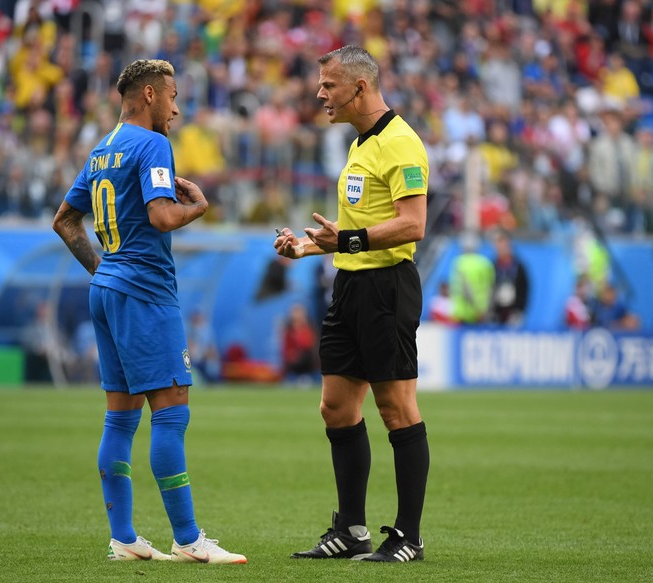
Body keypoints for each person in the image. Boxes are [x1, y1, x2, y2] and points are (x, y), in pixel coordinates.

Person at [51, 59, 245, 565]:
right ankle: (188, 541)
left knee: (119, 418)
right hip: (144, 291)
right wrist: (198, 209)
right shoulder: (152, 144)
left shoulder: (101, 150)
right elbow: (161, 216)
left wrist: (103, 271)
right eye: (174, 96)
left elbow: (65, 222)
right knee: (171, 408)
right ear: (151, 95)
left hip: (110, 289)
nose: (177, 109)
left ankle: (125, 539)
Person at [274, 45, 430, 563]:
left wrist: (348, 242)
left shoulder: (402, 143)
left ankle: (408, 536)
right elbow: (349, 233)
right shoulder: (360, 144)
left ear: (360, 87)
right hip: (350, 287)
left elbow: (412, 225)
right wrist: (306, 246)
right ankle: (352, 530)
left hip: (387, 287)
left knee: (396, 407)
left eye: (328, 85)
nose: (319, 94)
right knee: (336, 407)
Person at [491, 229, 529, 326]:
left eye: (503, 244)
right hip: (497, 312)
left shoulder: (518, 267)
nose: (500, 248)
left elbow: (524, 289)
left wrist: (519, 309)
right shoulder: (493, 266)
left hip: (513, 312)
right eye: (498, 244)